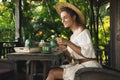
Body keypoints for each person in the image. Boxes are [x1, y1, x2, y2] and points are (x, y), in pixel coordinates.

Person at [46, 2, 102, 80]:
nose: (63, 21)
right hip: (79, 66)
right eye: (62, 18)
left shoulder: (83, 31)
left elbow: (86, 53)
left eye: (65, 17)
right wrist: (65, 50)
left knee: (53, 73)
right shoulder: (72, 36)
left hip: (89, 67)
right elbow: (72, 60)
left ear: (74, 17)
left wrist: (67, 42)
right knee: (53, 70)